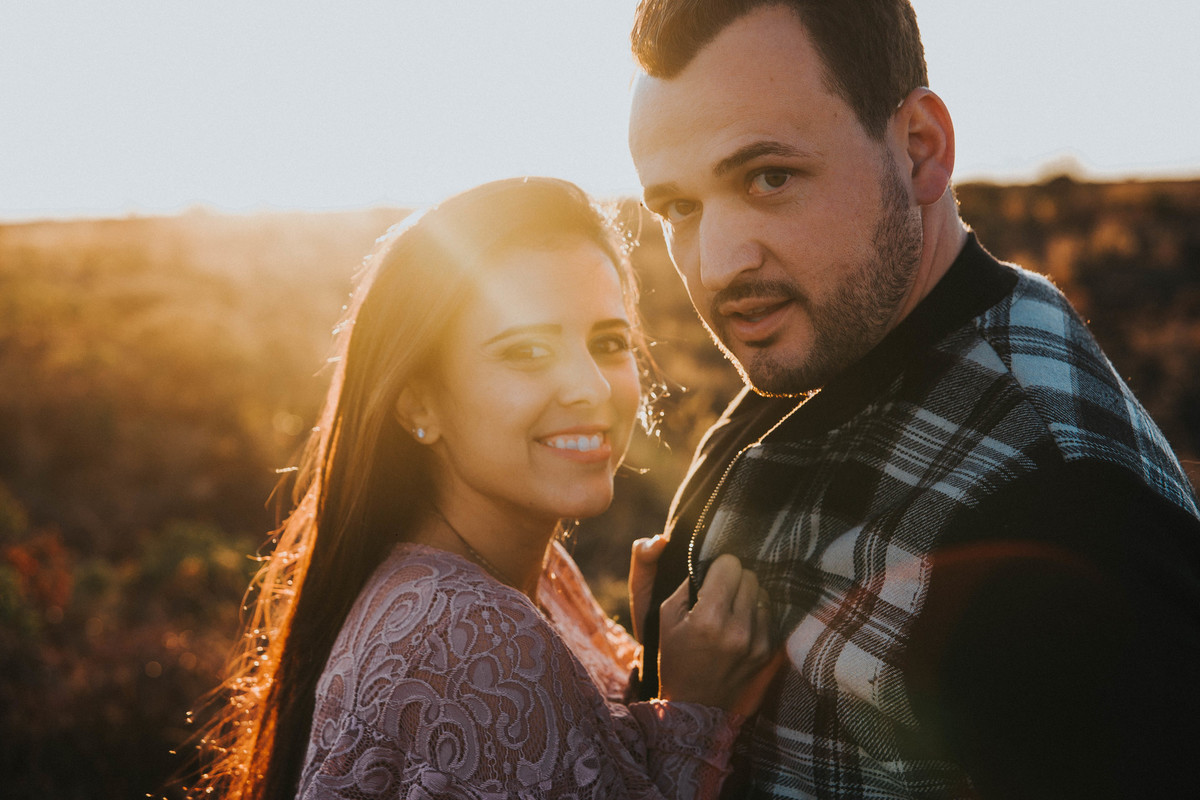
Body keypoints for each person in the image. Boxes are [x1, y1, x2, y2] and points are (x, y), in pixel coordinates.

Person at [626, 1, 1200, 798]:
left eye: (769, 177)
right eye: (678, 208)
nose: (719, 265)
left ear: (920, 149)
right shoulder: (820, 352)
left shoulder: (1067, 509)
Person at [187, 177, 776, 800]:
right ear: (418, 402)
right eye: (525, 350)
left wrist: (646, 666)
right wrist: (696, 715)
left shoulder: (536, 576)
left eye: (608, 343)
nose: (592, 389)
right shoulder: (469, 636)